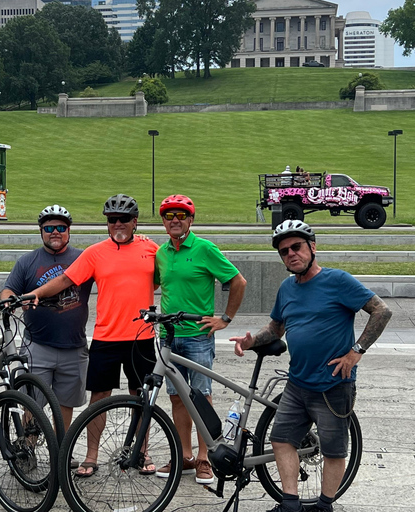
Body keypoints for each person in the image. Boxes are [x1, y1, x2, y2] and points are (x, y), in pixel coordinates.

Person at [229, 220, 392, 512]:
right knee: (280, 439)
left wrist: (356, 352)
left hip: (333, 384)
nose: (290, 254)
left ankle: (324, 505)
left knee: (332, 450)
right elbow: (275, 329)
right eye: (284, 251)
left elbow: (381, 310)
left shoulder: (337, 281)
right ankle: (290, 503)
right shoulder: (286, 288)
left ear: (312, 247)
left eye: (296, 247)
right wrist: (251, 340)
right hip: (297, 383)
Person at [30, 194, 159, 477]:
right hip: (107, 336)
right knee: (99, 398)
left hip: (142, 337)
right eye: (112, 220)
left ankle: (142, 451)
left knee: (142, 396)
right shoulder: (95, 252)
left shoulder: (151, 249)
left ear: (135, 222)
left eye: (124, 219)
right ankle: (91, 455)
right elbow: (65, 280)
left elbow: (166, 277)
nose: (118, 224)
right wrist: (36, 294)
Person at [153, 194, 247, 485]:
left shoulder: (205, 248)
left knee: (201, 397)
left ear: (190, 220)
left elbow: (238, 281)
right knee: (177, 398)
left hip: (197, 336)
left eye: (181, 215)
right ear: (164, 222)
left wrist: (225, 319)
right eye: (170, 216)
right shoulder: (161, 253)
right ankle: (185, 456)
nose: (175, 220)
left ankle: (206, 457)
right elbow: (156, 282)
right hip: (169, 337)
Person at [0, 205, 93, 433]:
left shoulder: (84, 258)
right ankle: (28, 447)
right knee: (33, 403)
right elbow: (9, 290)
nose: (55, 232)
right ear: (41, 231)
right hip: (37, 345)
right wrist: (8, 301)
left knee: (65, 403)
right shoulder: (27, 261)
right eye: (49, 227)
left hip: (74, 345)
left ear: (69, 231)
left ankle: (60, 449)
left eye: (61, 227)